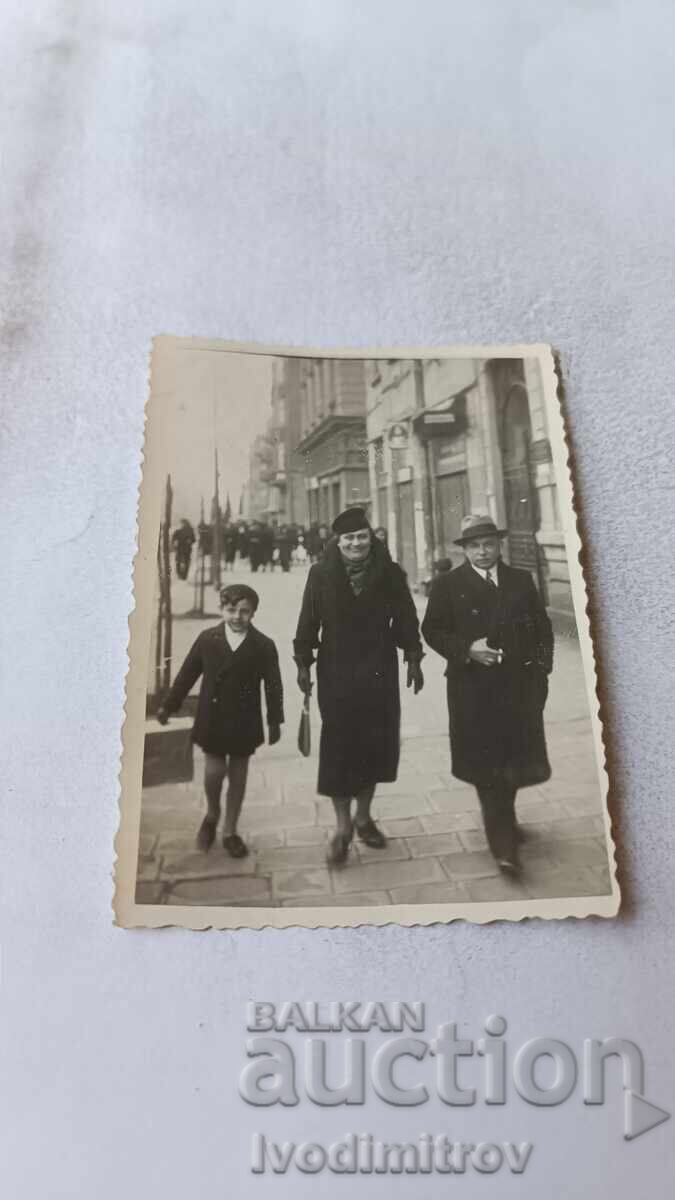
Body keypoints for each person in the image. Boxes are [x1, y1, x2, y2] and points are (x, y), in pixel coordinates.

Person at [421, 514, 554, 876]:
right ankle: (503, 843)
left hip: (518, 687)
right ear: (465, 550)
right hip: (473, 690)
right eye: (475, 546)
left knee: (512, 758)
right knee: (486, 764)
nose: (483, 552)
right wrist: (466, 649)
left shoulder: (520, 580)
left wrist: (542, 673)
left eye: (489, 544)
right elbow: (431, 630)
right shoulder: (449, 584)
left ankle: (505, 818)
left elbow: (543, 629)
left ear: (500, 545)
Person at [293, 506, 425, 867]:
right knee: (339, 746)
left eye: (361, 537)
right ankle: (342, 828)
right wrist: (303, 660)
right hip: (336, 673)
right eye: (349, 538)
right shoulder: (320, 575)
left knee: (375, 745)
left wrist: (413, 654)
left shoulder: (391, 574)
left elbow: (407, 616)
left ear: (371, 538)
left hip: (380, 672)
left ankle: (363, 816)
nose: (356, 543)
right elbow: (308, 619)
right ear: (338, 541)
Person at [156, 583, 284, 857]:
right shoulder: (207, 639)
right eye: (231, 610)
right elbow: (187, 675)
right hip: (213, 717)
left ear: (253, 613)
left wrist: (275, 720)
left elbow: (274, 686)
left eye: (244, 611)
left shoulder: (263, 645)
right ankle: (213, 812)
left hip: (244, 720)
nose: (237, 617)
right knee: (214, 773)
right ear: (221, 609)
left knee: (238, 776)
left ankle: (230, 830)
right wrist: (169, 705)